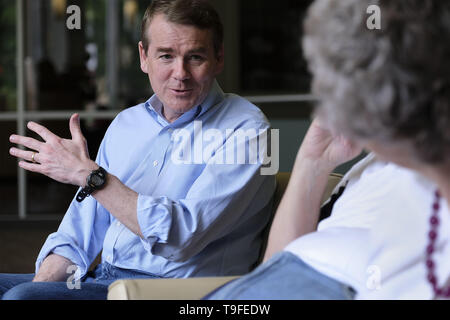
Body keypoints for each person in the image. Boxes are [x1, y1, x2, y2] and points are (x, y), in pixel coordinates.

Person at [3, 0, 276, 300]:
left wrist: (93, 177)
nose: (180, 73)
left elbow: (182, 238)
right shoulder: (127, 124)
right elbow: (78, 235)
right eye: (166, 56)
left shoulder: (249, 130)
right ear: (144, 57)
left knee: (21, 297)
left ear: (219, 57)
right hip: (105, 277)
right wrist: (43, 284)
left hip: (169, 292)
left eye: (195, 57)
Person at [205, 0, 450, 300]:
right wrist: (313, 162)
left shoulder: (430, 161)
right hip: (272, 281)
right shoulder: (374, 163)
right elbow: (277, 260)